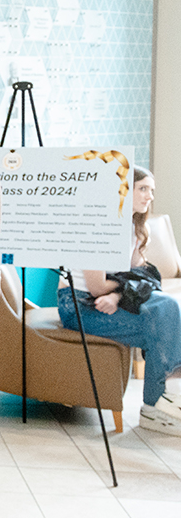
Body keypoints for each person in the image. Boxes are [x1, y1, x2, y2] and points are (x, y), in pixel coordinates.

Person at [57, 165, 181, 435]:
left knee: (166, 315)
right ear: (123, 189)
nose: (149, 196)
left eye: (151, 190)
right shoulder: (98, 224)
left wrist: (117, 293)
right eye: (143, 188)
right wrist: (116, 289)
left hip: (104, 300)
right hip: (78, 305)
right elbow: (96, 286)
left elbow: (145, 275)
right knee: (164, 319)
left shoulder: (134, 228)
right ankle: (159, 403)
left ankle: (159, 404)